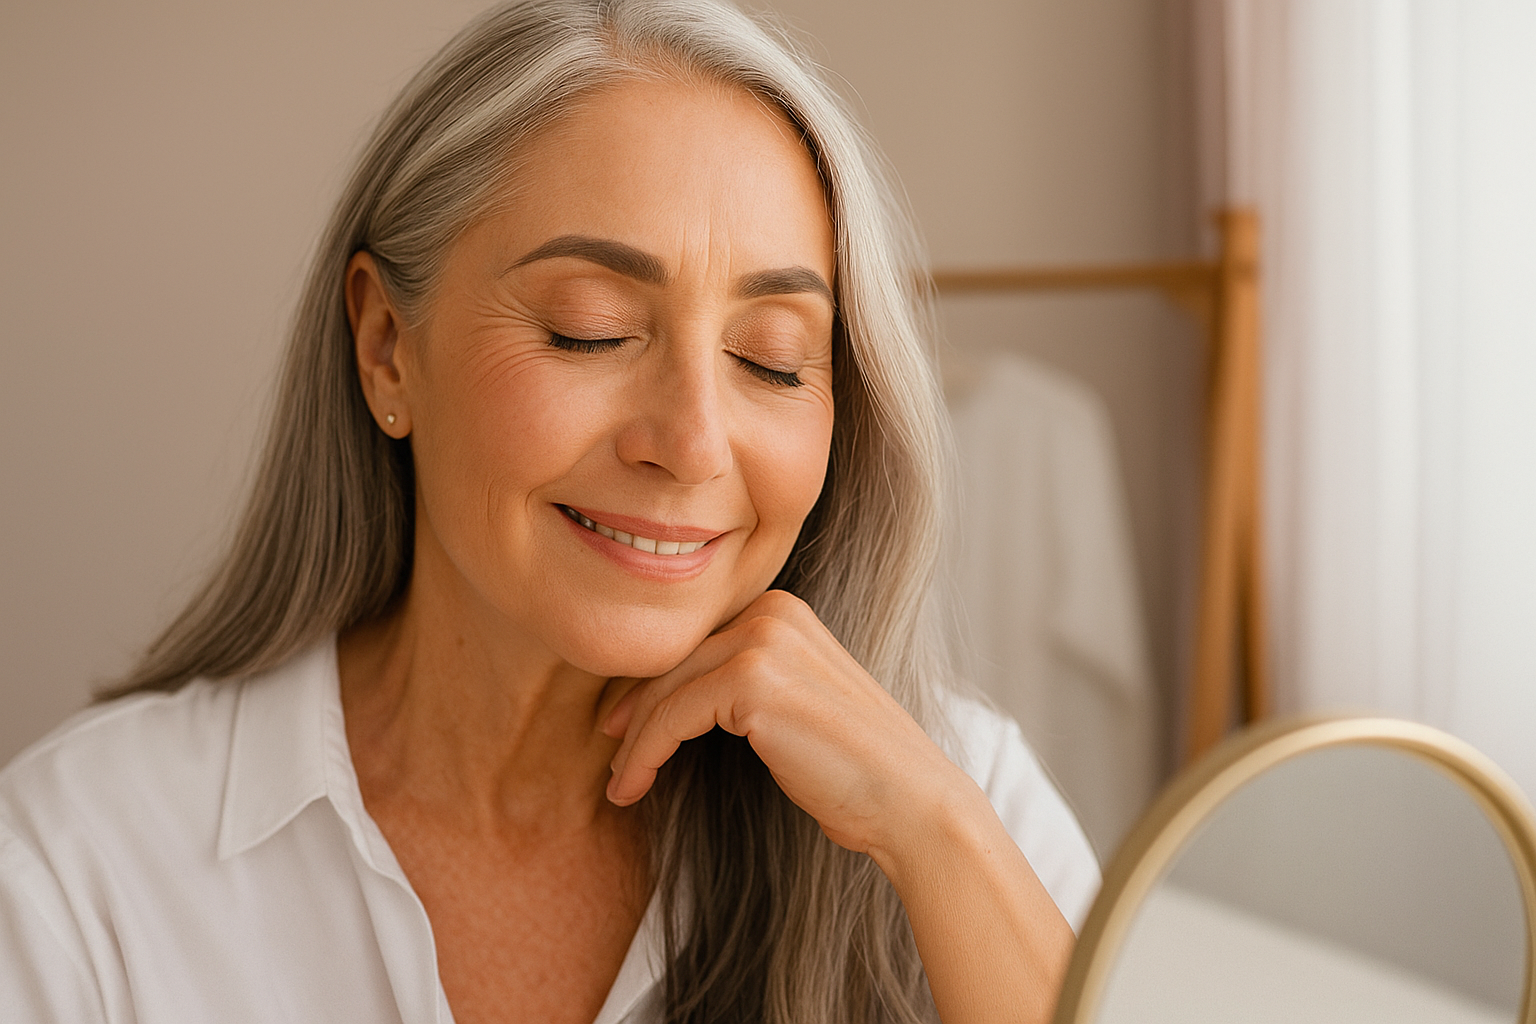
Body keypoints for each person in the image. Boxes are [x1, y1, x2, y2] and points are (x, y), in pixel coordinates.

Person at [0, 1, 1100, 1022]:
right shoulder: (80, 870)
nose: (692, 442)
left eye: (772, 360)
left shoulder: (965, 803)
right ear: (388, 348)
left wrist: (937, 840)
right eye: (590, 330)